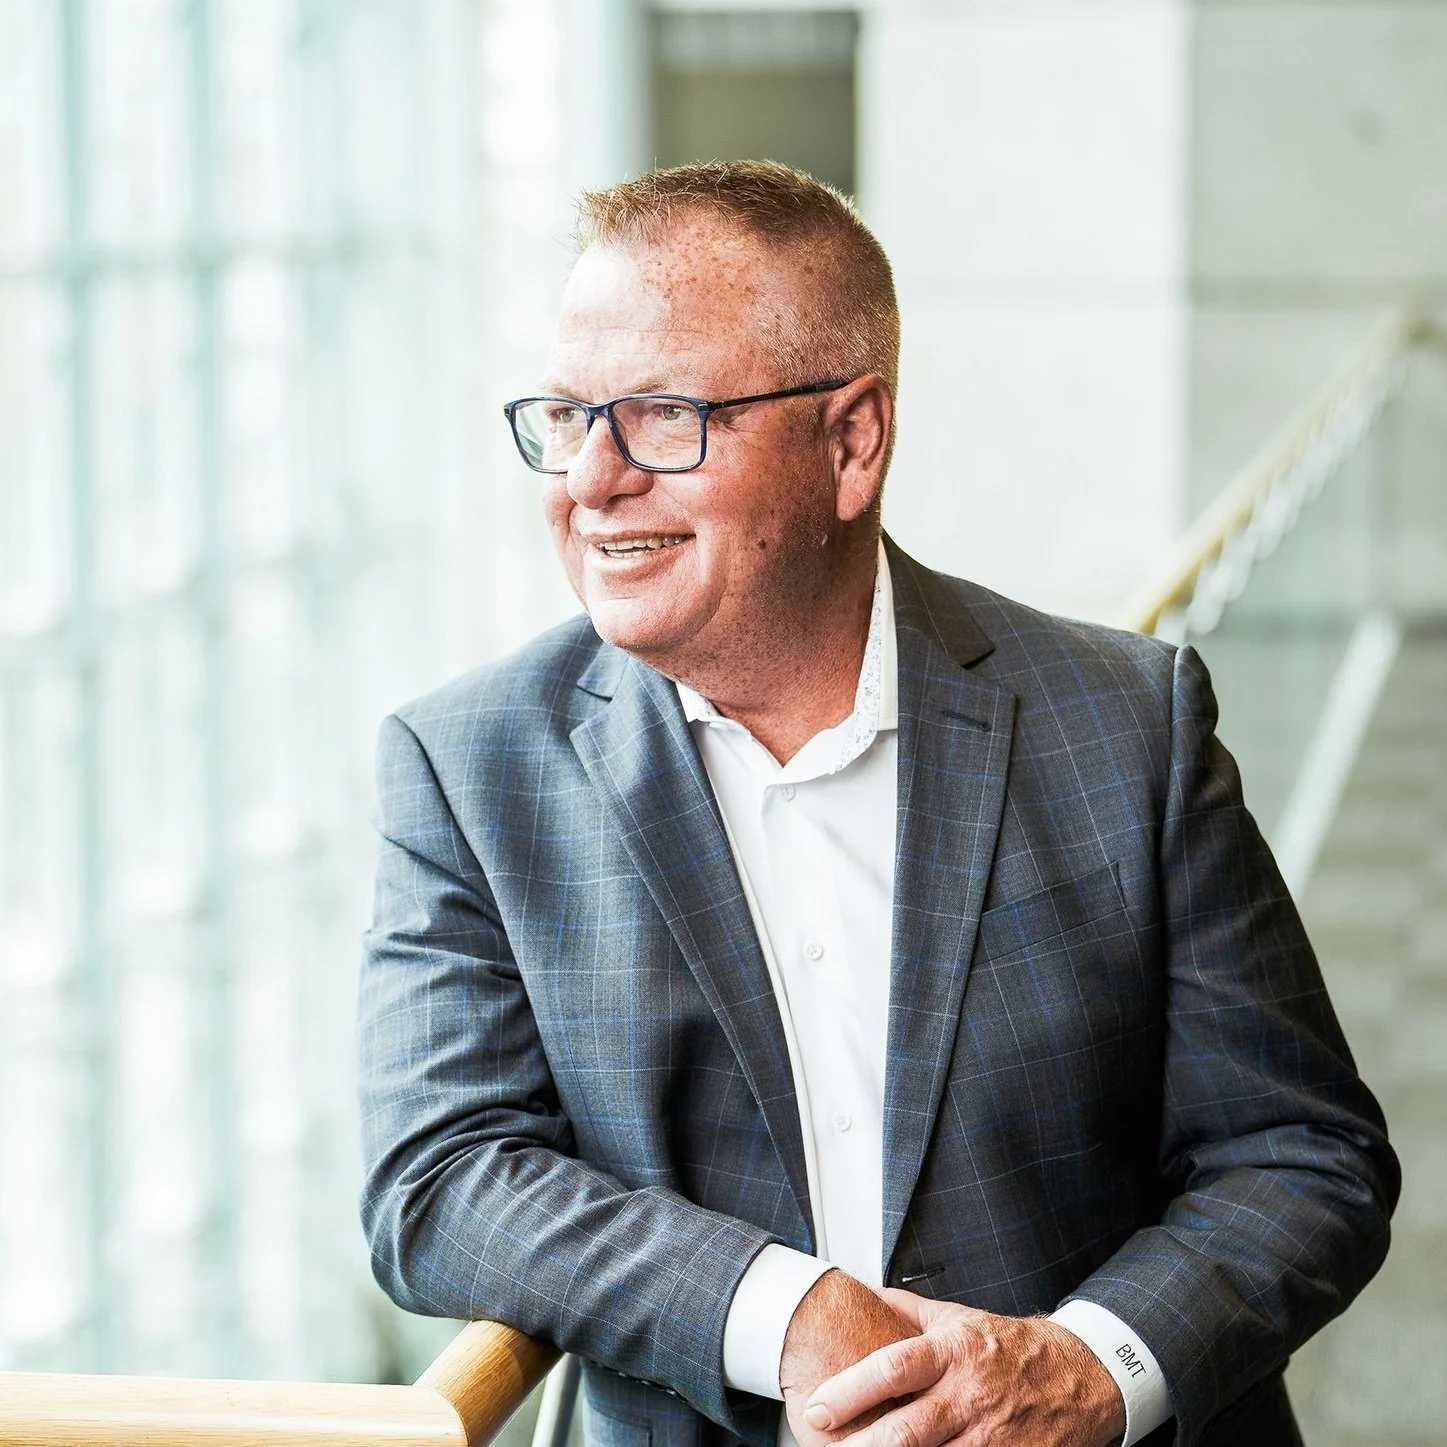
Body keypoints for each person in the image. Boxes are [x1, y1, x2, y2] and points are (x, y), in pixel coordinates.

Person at [357, 161, 1397, 1447]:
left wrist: (1088, 1368)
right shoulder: (468, 767)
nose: (592, 479)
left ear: (852, 442)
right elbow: (439, 1178)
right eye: (568, 418)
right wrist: (785, 1310)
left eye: (665, 417)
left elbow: (1302, 1155)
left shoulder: (1128, 722)